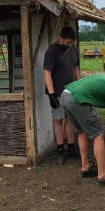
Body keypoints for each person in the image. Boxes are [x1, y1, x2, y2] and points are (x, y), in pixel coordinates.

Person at [43, 26, 81, 164]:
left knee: (69, 119)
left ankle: (71, 147)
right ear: (61, 38)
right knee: (58, 119)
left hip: (70, 91)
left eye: (71, 43)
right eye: (67, 43)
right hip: (57, 92)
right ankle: (60, 148)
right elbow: (47, 74)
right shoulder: (51, 51)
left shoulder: (73, 50)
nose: (69, 45)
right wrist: (52, 94)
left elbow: (76, 68)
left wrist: (80, 86)